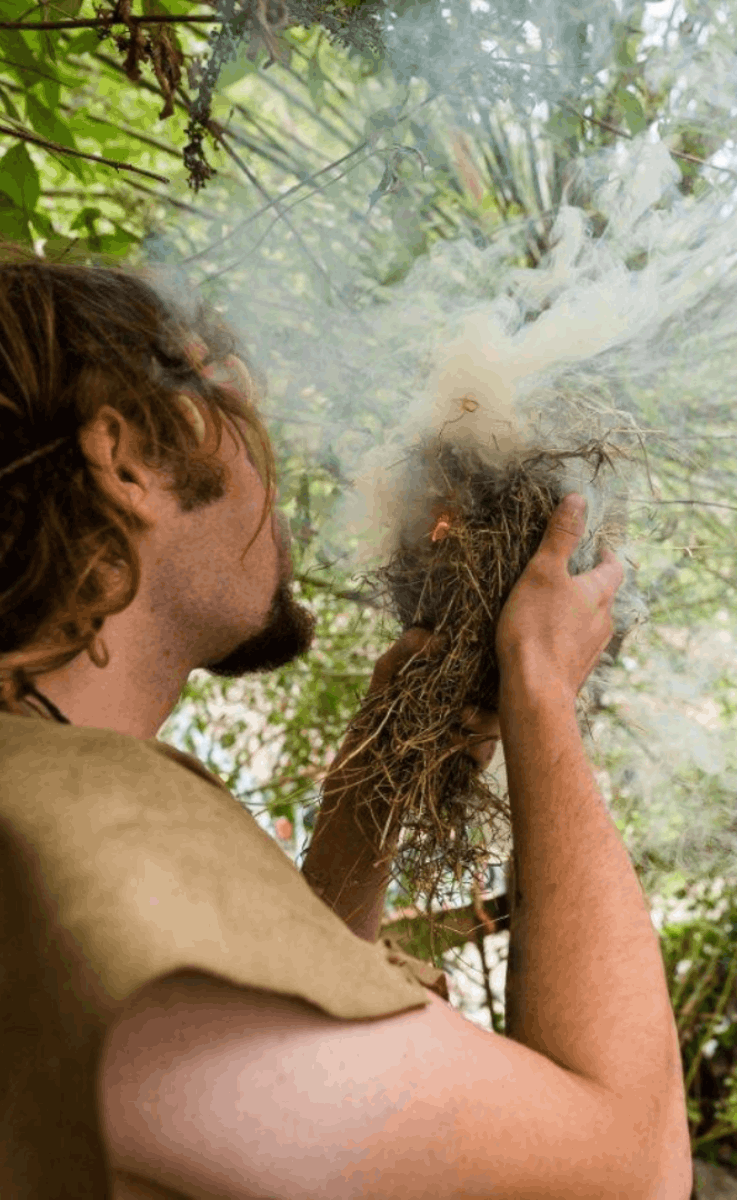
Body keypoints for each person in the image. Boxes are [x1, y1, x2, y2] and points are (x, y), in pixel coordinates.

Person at [0, 250, 692, 1199]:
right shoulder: (66, 836)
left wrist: (369, 793)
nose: (269, 453)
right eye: (223, 395)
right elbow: (633, 1165)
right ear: (123, 460)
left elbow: (273, 1089)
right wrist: (540, 691)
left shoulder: (40, 801)